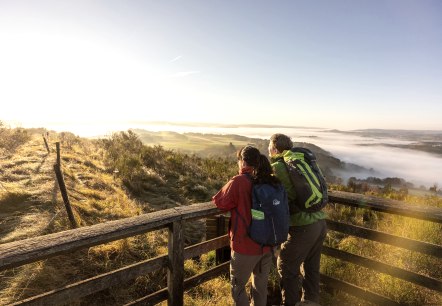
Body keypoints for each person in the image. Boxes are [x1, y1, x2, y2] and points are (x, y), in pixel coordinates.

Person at [212, 145, 281, 306]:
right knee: (260, 288)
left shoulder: (239, 181)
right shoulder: (268, 179)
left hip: (245, 246)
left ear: (242, 162)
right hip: (266, 246)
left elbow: (220, 202)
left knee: (237, 287)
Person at [268, 134, 327, 306]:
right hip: (319, 223)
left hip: (303, 227)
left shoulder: (279, 166)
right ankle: (310, 302)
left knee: (286, 266)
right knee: (311, 268)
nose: (269, 150)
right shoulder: (301, 162)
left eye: (270, 146)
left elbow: (288, 195)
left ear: (275, 148)